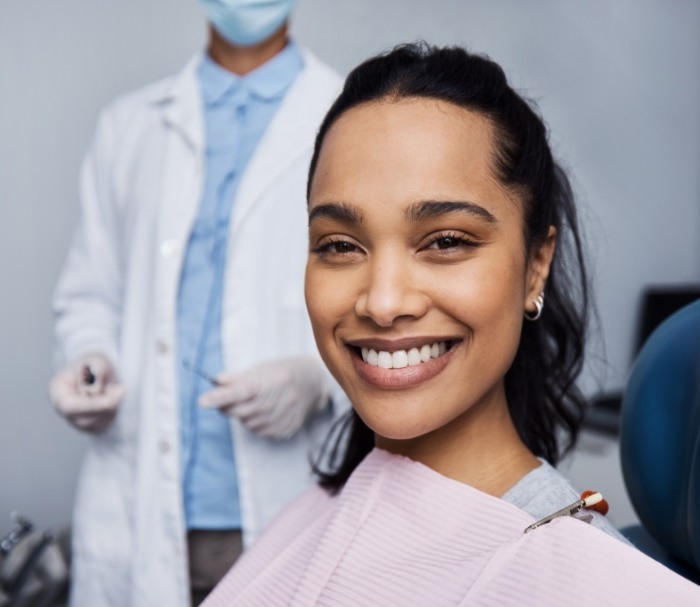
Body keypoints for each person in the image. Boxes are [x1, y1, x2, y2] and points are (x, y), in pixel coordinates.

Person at [201, 43, 700, 605]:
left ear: (537, 263)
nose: (383, 303)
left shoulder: (597, 585)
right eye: (340, 245)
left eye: (446, 241)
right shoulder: (311, 513)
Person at [48, 1, 346, 605]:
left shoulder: (350, 118)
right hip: (138, 504)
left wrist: (321, 381)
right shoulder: (129, 125)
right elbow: (90, 292)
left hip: (281, 504)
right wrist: (90, 359)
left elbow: (385, 298)